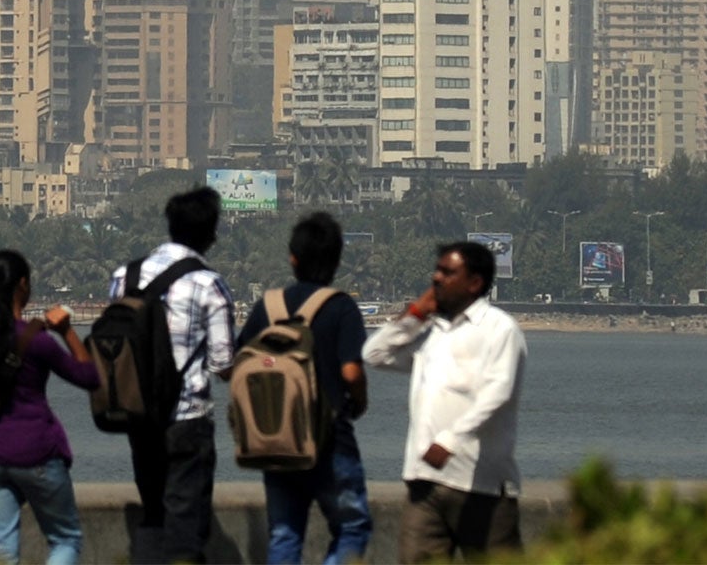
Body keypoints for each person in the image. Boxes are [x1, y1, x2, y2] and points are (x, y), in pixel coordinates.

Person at [362, 239, 526, 562]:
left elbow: (498, 392)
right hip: (425, 483)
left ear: (474, 283)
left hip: (483, 486)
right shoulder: (431, 332)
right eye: (437, 271)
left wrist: (449, 440)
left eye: (448, 272)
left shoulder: (500, 329)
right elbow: (374, 354)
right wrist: (414, 315)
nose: (436, 278)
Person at [0, 249, 99, 565]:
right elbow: (90, 377)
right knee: (65, 539)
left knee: (1, 550)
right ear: (23, 285)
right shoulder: (38, 340)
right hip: (38, 452)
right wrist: (67, 331)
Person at [233, 212, 372, 565]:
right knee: (352, 527)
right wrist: (358, 403)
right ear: (338, 260)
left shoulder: (268, 306)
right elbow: (352, 372)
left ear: (292, 258)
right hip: (331, 442)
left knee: (284, 532)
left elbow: (235, 363)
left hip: (276, 442)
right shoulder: (341, 307)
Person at [108, 186, 235, 565]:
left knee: (152, 514)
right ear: (211, 233)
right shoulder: (209, 285)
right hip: (187, 418)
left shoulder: (124, 276)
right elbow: (223, 363)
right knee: (185, 523)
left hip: (138, 415)